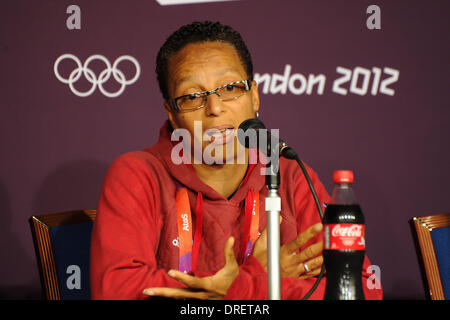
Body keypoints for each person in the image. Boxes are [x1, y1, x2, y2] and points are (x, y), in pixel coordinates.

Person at [90, 21, 382, 300]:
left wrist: (247, 288)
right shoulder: (137, 174)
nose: (215, 108)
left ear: (254, 96)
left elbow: (362, 289)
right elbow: (117, 291)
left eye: (230, 88)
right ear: (171, 113)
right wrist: (259, 280)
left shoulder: (288, 173)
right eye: (192, 96)